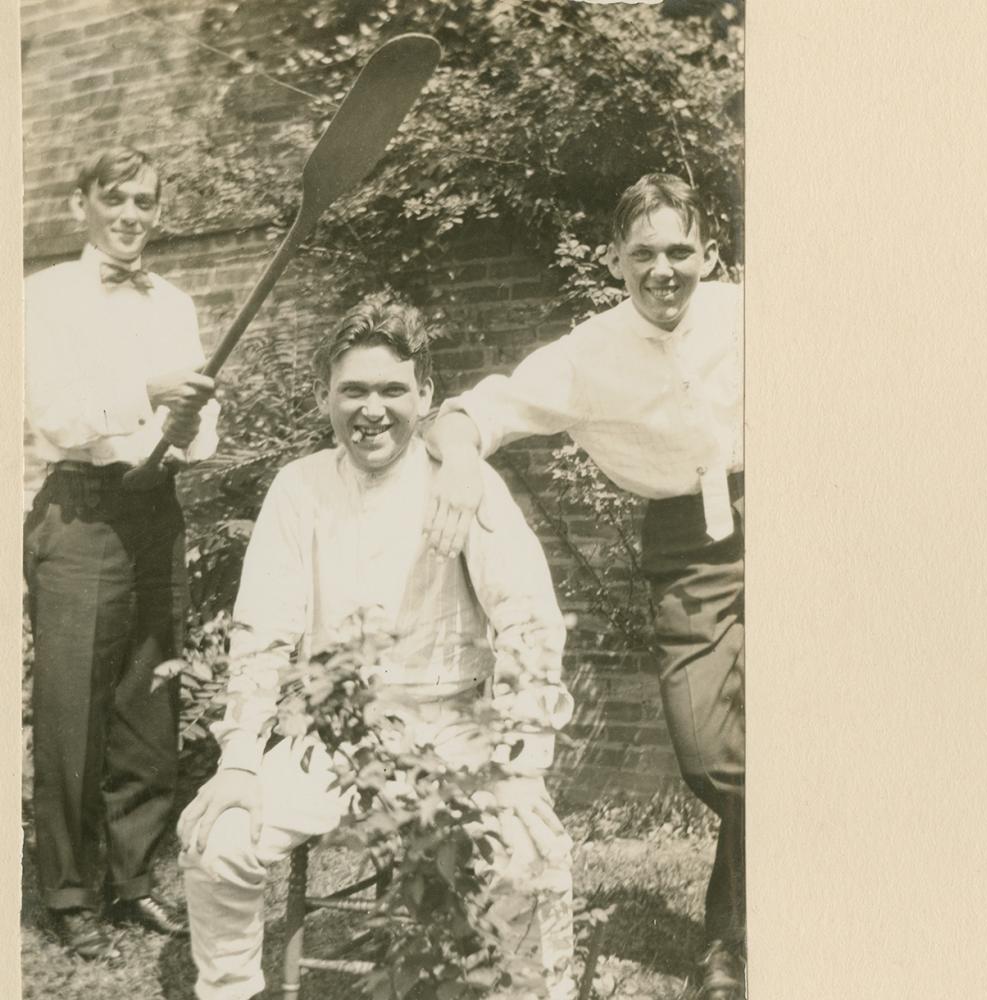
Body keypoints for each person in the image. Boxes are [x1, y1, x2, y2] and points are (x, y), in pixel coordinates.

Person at [177, 294, 575, 1000]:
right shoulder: (298, 488)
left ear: (425, 395)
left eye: (392, 389)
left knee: (527, 856)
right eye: (352, 390)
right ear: (324, 398)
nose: (372, 410)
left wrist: (522, 762)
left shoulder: (466, 483)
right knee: (219, 841)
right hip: (336, 737)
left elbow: (529, 622)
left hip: (456, 729)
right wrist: (238, 760)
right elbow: (262, 631)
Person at [424, 174, 746, 1000]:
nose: (663, 270)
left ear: (710, 254)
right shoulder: (587, 355)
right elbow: (481, 409)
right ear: (614, 261)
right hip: (689, 547)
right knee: (710, 754)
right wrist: (457, 456)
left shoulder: (749, 314)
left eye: (680, 251)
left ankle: (728, 940)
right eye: (644, 254)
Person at [23, 145, 219, 961]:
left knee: (150, 697)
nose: (132, 215)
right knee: (72, 709)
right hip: (83, 510)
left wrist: (189, 431)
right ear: (82, 205)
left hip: (154, 510)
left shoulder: (174, 302)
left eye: (145, 201)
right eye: (116, 199)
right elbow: (50, 415)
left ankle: (133, 879)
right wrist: (146, 393)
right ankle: (68, 894)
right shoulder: (42, 297)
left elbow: (203, 421)